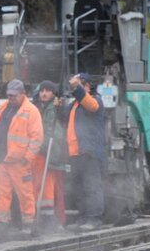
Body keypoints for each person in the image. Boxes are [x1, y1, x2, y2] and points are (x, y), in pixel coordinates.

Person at [0, 78, 43, 236]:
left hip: (19, 162)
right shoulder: (3, 109)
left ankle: (29, 225)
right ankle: (1, 224)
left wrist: (27, 158)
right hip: (3, 159)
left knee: (25, 194)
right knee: (2, 193)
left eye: (14, 95)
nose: (11, 98)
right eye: (9, 95)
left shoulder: (31, 111)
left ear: (23, 94)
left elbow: (37, 137)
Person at [59, 73, 106, 231]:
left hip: (89, 151)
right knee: (78, 187)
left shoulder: (95, 100)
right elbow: (64, 119)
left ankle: (94, 218)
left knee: (91, 186)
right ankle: (83, 216)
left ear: (87, 86)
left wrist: (76, 88)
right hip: (75, 153)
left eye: (80, 85)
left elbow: (91, 106)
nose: (76, 88)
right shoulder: (75, 104)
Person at [31, 80, 67, 232]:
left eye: (47, 91)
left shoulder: (53, 109)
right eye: (41, 91)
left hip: (51, 154)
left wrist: (42, 147)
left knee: (54, 189)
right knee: (46, 188)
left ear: (53, 93)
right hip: (46, 153)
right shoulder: (43, 107)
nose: (44, 94)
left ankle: (58, 221)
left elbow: (53, 132)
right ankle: (52, 220)